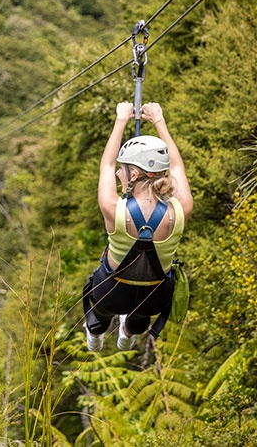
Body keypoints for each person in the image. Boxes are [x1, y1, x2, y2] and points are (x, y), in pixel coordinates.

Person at [83, 102, 193, 352]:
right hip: (154, 297)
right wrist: (158, 121)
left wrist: (120, 120)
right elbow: (177, 167)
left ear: (133, 175)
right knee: (142, 312)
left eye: (123, 170)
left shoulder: (114, 208)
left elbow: (106, 166)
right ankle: (130, 331)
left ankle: (96, 330)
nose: (119, 174)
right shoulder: (181, 209)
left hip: (111, 292)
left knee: (102, 305)